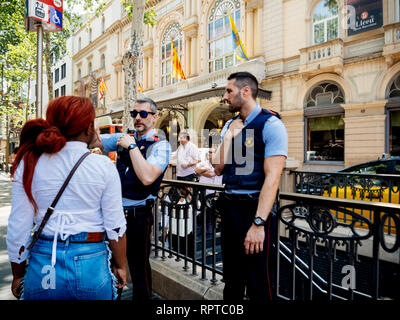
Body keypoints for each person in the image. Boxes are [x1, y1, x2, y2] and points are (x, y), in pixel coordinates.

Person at [6, 96, 127, 300]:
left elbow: (18, 227)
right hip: (91, 262)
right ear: (88, 127)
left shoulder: (29, 164)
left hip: (44, 264)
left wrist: (18, 274)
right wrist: (120, 265)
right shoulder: (103, 166)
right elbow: (115, 227)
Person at [212, 72, 288, 301]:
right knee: (232, 280)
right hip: (229, 208)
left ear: (245, 91)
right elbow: (217, 168)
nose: (225, 96)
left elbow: (272, 178)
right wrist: (228, 138)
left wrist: (258, 223)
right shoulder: (229, 125)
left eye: (229, 91)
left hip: (254, 210)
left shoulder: (271, 124)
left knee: (258, 283)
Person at [93, 97, 171, 300]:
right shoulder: (124, 137)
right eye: (134, 114)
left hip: (139, 215)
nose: (138, 118)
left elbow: (147, 177)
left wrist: (132, 147)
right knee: (110, 264)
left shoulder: (160, 145)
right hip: (115, 213)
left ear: (154, 117)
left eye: (143, 114)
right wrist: (91, 119)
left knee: (139, 267)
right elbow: (94, 141)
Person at [195, 148, 223, 234]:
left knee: (214, 212)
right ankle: (206, 229)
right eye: (209, 152)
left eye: (211, 152)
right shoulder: (204, 163)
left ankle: (212, 229)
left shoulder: (220, 164)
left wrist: (203, 172)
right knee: (205, 211)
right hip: (204, 191)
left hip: (216, 191)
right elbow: (196, 170)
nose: (209, 154)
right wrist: (207, 170)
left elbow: (213, 174)